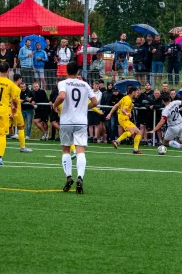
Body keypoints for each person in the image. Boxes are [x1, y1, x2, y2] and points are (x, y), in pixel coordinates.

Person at [52, 61, 98, 193]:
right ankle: (80, 177)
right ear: (78, 72)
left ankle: (68, 177)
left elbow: (61, 96)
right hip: (81, 121)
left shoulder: (63, 83)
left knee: (66, 149)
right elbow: (95, 102)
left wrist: (55, 106)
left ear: (66, 71)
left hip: (66, 121)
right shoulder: (85, 84)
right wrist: (84, 108)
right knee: (80, 150)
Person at [107, 86, 143, 154]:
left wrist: (110, 114)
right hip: (124, 119)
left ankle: (135, 150)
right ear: (133, 92)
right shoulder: (128, 100)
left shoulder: (125, 97)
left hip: (123, 118)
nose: (137, 94)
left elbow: (116, 105)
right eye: (136, 92)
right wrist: (127, 113)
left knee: (138, 132)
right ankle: (116, 141)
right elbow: (124, 109)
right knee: (131, 132)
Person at [8, 75, 33, 153]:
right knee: (21, 127)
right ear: (19, 79)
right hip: (16, 110)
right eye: (21, 80)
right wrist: (14, 110)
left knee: (4, 128)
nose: (21, 81)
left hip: (7, 109)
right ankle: (22, 147)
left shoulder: (10, 86)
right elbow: (14, 100)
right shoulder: (17, 89)